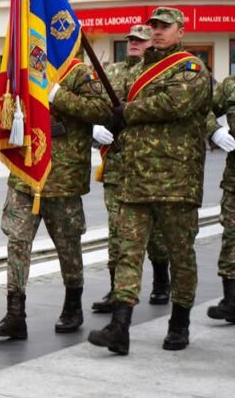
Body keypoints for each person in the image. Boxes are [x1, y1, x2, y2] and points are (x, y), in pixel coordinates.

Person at [89, 7, 212, 355]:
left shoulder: (191, 68)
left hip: (176, 181)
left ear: (180, 31)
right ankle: (120, 327)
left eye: (164, 27)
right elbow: (108, 102)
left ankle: (180, 321)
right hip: (134, 178)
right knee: (128, 253)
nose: (157, 32)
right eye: (154, 27)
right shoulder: (136, 70)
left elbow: (175, 103)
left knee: (180, 255)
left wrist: (127, 110)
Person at [0, 52, 111, 341]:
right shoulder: (21, 70)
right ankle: (15, 313)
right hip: (25, 174)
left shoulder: (78, 73)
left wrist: (56, 93)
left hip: (62, 179)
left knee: (68, 247)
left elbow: (101, 110)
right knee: (17, 242)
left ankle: (72, 305)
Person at [90, 24, 173, 312]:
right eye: (131, 40)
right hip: (116, 164)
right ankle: (116, 291)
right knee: (116, 231)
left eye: (140, 40)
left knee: (156, 232)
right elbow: (96, 105)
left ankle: (162, 280)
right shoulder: (111, 72)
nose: (133, 44)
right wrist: (95, 127)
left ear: (152, 43)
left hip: (148, 165)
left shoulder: (160, 73)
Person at [208, 72, 235, 324]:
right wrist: (215, 132)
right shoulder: (230, 85)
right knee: (231, 238)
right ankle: (232, 301)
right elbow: (203, 110)